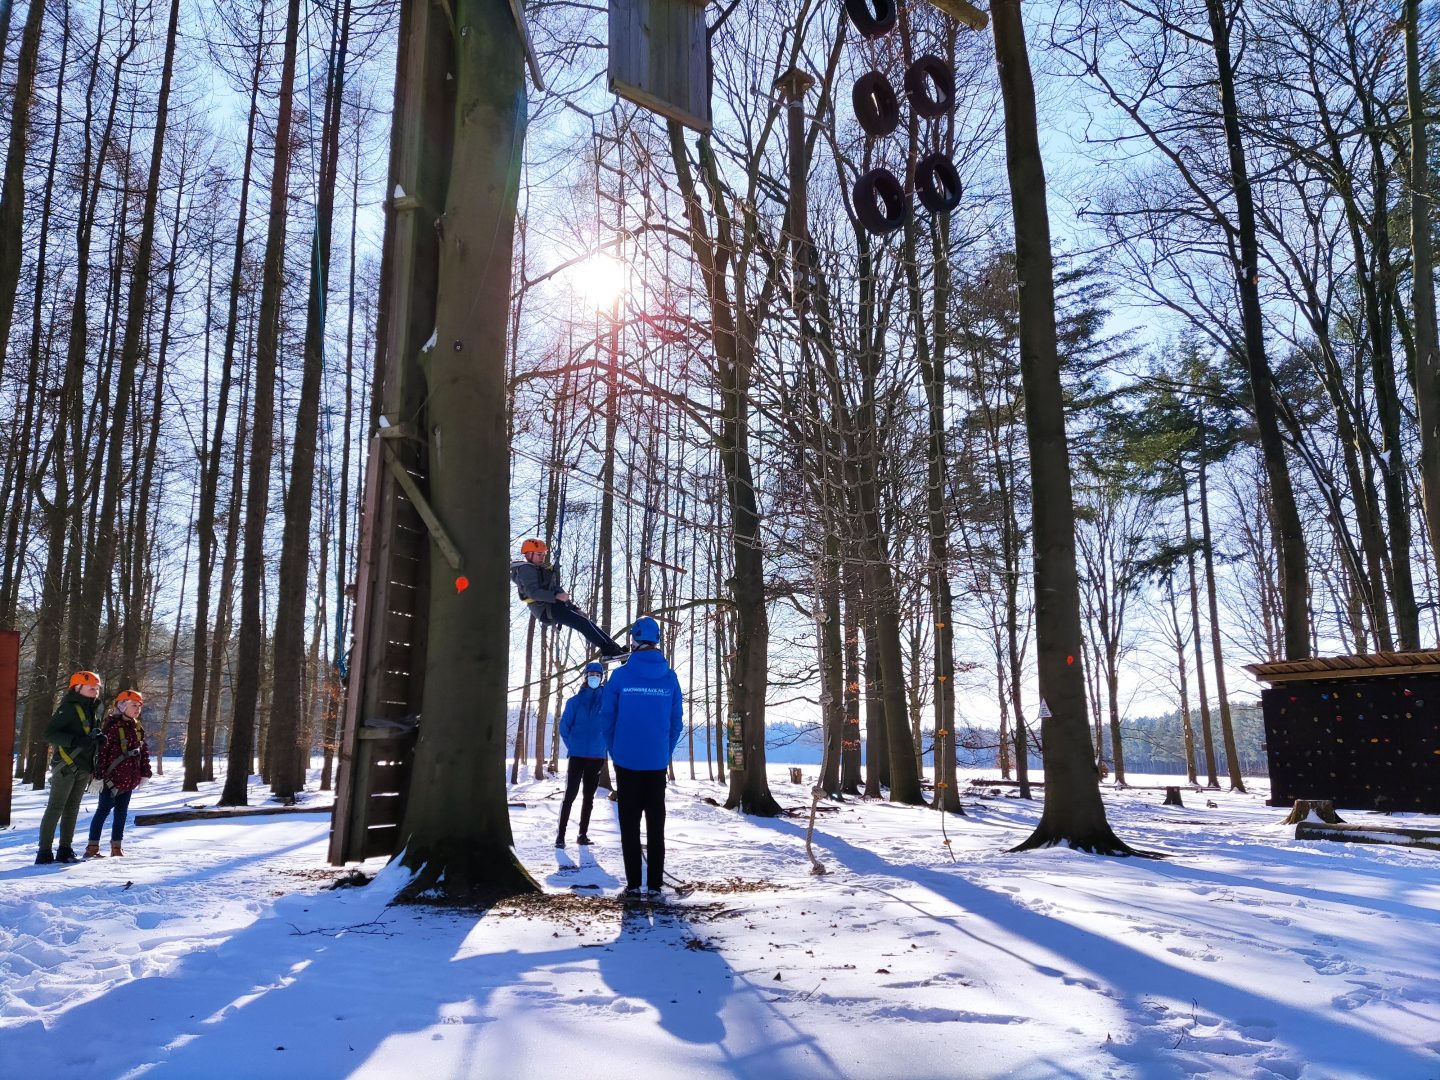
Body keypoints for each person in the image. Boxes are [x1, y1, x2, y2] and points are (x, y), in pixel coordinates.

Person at [599, 617, 683, 896]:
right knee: (656, 824)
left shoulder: (620, 677)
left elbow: (607, 717)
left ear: (634, 640)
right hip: (656, 762)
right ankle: (655, 885)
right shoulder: (670, 678)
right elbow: (676, 723)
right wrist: (663, 752)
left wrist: (615, 749)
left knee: (629, 825)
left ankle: (634, 885)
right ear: (656, 641)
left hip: (626, 761)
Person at [510, 538, 626, 659]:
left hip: (553, 605)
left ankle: (615, 648)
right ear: (528, 554)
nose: (542, 557)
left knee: (586, 622)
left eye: (543, 555)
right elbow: (533, 592)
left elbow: (555, 589)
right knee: (582, 623)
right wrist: (555, 596)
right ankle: (608, 650)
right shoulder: (525, 569)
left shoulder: (539, 569)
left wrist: (574, 608)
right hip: (544, 609)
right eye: (539, 554)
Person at [36, 671, 105, 865]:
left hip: (84, 766)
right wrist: (74, 741)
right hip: (66, 765)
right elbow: (49, 734)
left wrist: (98, 739)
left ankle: (65, 849)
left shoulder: (93, 709)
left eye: (97, 688)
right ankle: (44, 852)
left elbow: (88, 735)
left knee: (72, 809)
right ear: (77, 688)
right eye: (92, 688)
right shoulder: (68, 708)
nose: (96, 691)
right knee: (56, 807)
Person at [84, 689, 152, 858]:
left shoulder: (137, 728)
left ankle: (116, 847)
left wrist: (145, 773)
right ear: (122, 706)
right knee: (102, 812)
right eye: (133, 705)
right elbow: (102, 755)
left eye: (139, 706)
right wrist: (98, 777)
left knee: (121, 813)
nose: (137, 709)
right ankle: (92, 848)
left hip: (129, 780)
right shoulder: (111, 728)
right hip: (110, 781)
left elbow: (142, 752)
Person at [556, 662, 608, 848]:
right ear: (585, 676)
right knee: (569, 796)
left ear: (602, 677)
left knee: (589, 797)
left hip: (596, 757)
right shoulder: (574, 702)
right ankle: (560, 837)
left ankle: (582, 835)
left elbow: (611, 725)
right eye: (591, 674)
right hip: (577, 757)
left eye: (597, 674)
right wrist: (574, 746)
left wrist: (603, 745)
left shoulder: (606, 701)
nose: (594, 677)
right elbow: (564, 728)